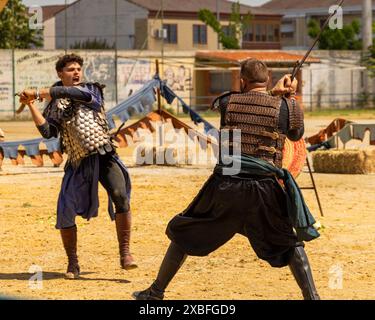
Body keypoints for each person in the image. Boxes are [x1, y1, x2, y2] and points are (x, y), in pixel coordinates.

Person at [132, 58, 320, 300]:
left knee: (185, 231)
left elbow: (250, 105)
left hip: (227, 184)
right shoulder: (286, 106)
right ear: (268, 80)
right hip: (265, 188)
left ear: (242, 81)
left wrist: (275, 93)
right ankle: (312, 297)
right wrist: (288, 98)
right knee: (289, 241)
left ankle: (156, 291)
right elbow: (296, 134)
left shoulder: (227, 101)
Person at [18, 53, 137, 279]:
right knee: (65, 212)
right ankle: (73, 263)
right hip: (78, 161)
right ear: (60, 73)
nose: (76, 73)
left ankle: (125, 254)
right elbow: (48, 132)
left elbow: (70, 92)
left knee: (121, 196)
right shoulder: (54, 104)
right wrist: (31, 105)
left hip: (104, 155)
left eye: (78, 69)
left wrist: (37, 92)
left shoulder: (91, 90)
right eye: (70, 69)